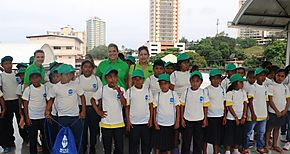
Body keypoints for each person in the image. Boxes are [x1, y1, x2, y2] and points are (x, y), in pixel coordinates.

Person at [45, 64, 86, 153]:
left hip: (75, 117)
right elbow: (51, 99)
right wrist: (47, 111)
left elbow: (82, 96)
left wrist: (83, 111)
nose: (69, 76)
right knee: (64, 137)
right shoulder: (55, 87)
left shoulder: (75, 85)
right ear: (60, 75)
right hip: (62, 117)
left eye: (70, 74)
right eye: (66, 74)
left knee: (77, 138)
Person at [91, 67, 127, 154]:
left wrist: (119, 92)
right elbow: (92, 99)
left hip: (119, 123)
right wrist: (98, 112)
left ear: (117, 78)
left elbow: (125, 104)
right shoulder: (103, 89)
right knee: (107, 147)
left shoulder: (121, 89)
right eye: (110, 77)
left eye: (114, 76)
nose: (112, 79)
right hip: (106, 124)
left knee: (119, 148)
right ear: (106, 79)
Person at [76, 60, 102, 154]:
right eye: (85, 67)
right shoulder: (78, 79)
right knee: (82, 130)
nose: (87, 69)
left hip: (93, 109)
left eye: (89, 67)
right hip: (81, 108)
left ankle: (92, 148)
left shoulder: (96, 79)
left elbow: (100, 95)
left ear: (93, 68)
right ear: (82, 68)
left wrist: (99, 109)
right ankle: (83, 147)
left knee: (93, 130)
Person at [180, 71, 209, 154]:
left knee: (198, 142)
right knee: (186, 141)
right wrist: (182, 119)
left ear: (201, 82)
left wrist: (205, 119)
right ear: (190, 81)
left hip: (199, 120)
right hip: (187, 120)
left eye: (197, 81)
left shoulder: (203, 92)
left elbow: (205, 107)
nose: (195, 83)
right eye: (193, 81)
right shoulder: (186, 92)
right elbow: (182, 105)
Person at [125, 69, 153, 154]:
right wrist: (128, 122)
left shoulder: (147, 90)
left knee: (146, 145)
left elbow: (151, 105)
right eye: (135, 79)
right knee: (133, 145)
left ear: (143, 80)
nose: (138, 81)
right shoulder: (129, 91)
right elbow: (127, 107)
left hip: (145, 122)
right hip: (134, 123)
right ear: (133, 80)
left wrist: (150, 119)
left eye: (140, 79)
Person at [0, 56, 24, 152]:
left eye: (10, 63)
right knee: (7, 124)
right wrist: (3, 106)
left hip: (17, 101)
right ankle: (10, 142)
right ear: (2, 65)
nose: (8, 65)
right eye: (6, 64)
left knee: (21, 121)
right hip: (6, 102)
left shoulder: (16, 75)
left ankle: (26, 139)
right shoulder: (1, 76)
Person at [151, 73, 180, 154]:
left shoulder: (173, 94)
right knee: (158, 144)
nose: (163, 86)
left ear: (169, 84)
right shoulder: (158, 95)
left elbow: (177, 108)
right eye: (161, 84)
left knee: (169, 144)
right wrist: (155, 123)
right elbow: (154, 109)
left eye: (165, 83)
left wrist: (177, 121)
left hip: (170, 123)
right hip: (160, 123)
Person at [22, 69, 49, 154]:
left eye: (37, 78)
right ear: (30, 80)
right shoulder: (28, 89)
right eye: (33, 78)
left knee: (45, 138)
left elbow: (48, 101)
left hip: (43, 117)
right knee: (33, 139)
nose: (35, 80)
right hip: (32, 118)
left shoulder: (45, 88)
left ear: (40, 78)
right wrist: (27, 118)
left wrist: (48, 113)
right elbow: (25, 104)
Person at [243, 67, 269, 154]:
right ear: (256, 76)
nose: (263, 77)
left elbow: (266, 101)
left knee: (261, 132)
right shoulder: (252, 87)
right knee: (248, 133)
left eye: (264, 75)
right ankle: (245, 147)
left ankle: (260, 147)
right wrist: (253, 113)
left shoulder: (265, 87)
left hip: (263, 115)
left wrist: (267, 113)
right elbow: (250, 101)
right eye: (261, 75)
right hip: (253, 115)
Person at [265, 69, 290, 153]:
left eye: (282, 76)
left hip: (282, 112)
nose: (280, 78)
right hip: (273, 112)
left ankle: (275, 145)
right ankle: (266, 145)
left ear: (285, 77)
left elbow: (288, 100)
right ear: (275, 75)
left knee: (277, 128)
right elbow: (270, 100)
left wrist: (285, 110)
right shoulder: (271, 86)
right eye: (278, 75)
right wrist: (277, 111)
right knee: (269, 129)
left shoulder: (285, 87)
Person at [224, 74, 248, 154]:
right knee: (229, 134)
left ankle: (236, 149)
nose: (242, 84)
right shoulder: (230, 93)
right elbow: (229, 106)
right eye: (241, 82)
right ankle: (227, 150)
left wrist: (244, 116)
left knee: (238, 134)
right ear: (236, 83)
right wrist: (236, 117)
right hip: (231, 118)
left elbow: (245, 103)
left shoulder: (243, 92)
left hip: (241, 117)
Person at [203, 69, 226, 154]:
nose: (216, 80)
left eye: (218, 78)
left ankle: (215, 152)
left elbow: (224, 103)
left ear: (220, 79)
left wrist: (224, 116)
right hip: (210, 116)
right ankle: (204, 152)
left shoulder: (222, 89)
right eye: (213, 78)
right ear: (210, 79)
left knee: (217, 137)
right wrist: (205, 118)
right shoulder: (206, 90)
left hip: (219, 116)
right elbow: (204, 105)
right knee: (206, 136)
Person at [15, 68, 29, 143]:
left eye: (23, 74)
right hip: (24, 108)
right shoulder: (20, 86)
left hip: (32, 108)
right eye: (20, 75)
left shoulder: (31, 84)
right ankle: (28, 139)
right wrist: (20, 109)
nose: (22, 77)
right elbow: (19, 98)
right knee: (25, 125)